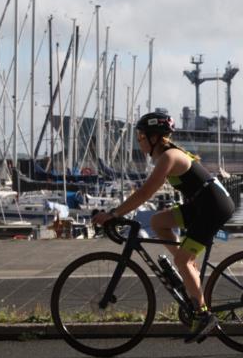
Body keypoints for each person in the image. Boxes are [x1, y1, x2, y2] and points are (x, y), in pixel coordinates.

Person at [93, 111, 235, 343]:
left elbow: (145, 193)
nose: (138, 140)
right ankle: (188, 266)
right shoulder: (166, 156)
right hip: (201, 204)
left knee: (182, 261)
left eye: (140, 136)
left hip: (213, 207)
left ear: (154, 137)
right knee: (158, 222)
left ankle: (203, 314)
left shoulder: (169, 157)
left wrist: (113, 214)